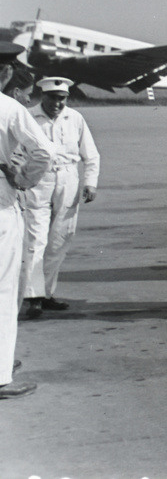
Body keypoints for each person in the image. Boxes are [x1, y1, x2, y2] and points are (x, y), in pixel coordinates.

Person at [20, 77, 99, 319]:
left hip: (68, 180)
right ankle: (33, 298)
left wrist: (90, 183)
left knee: (60, 239)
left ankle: (46, 294)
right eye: (52, 97)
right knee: (35, 240)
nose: (57, 103)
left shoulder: (74, 118)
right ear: (41, 95)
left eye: (61, 98)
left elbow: (91, 154)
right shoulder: (28, 117)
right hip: (37, 181)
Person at [0, 43, 52, 399]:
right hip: (1, 208)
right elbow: (43, 152)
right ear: (5, 73)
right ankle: (1, 375)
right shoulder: (8, 108)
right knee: (3, 291)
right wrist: (24, 180)